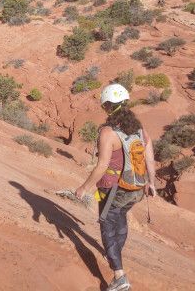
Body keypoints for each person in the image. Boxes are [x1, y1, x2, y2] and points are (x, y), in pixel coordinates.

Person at [75, 84, 157, 291]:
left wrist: (84, 187)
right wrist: (152, 184)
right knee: (120, 219)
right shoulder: (140, 130)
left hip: (112, 189)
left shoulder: (108, 132)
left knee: (107, 224)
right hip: (136, 189)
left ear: (108, 107)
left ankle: (119, 275)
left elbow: (102, 165)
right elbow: (150, 160)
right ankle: (115, 253)